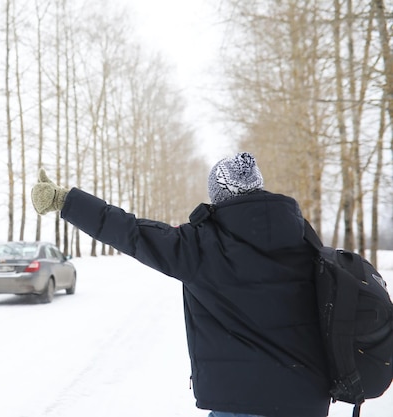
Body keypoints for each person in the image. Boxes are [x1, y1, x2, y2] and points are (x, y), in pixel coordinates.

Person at [31, 152, 331, 417]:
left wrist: (64, 200)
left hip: (241, 401)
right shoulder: (304, 239)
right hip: (308, 398)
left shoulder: (200, 245)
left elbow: (129, 231)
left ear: (218, 196)